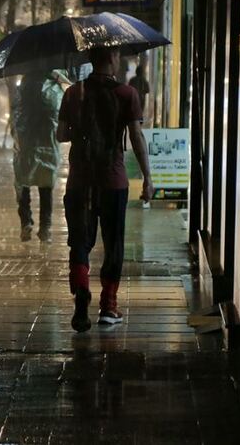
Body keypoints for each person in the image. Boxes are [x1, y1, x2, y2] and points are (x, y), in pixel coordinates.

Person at [57, 47, 153, 332]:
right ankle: (108, 306)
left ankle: (82, 290)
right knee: (114, 243)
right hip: (113, 181)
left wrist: (80, 131)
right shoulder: (127, 94)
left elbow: (61, 134)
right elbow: (136, 137)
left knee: (80, 241)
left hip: (79, 182)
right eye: (117, 54)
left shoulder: (73, 93)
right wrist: (148, 177)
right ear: (112, 58)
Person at [12, 69, 69, 242]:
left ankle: (26, 223)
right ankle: (45, 227)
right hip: (47, 140)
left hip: (27, 140)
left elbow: (17, 111)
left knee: (23, 182)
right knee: (46, 186)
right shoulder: (53, 84)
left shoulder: (25, 83)